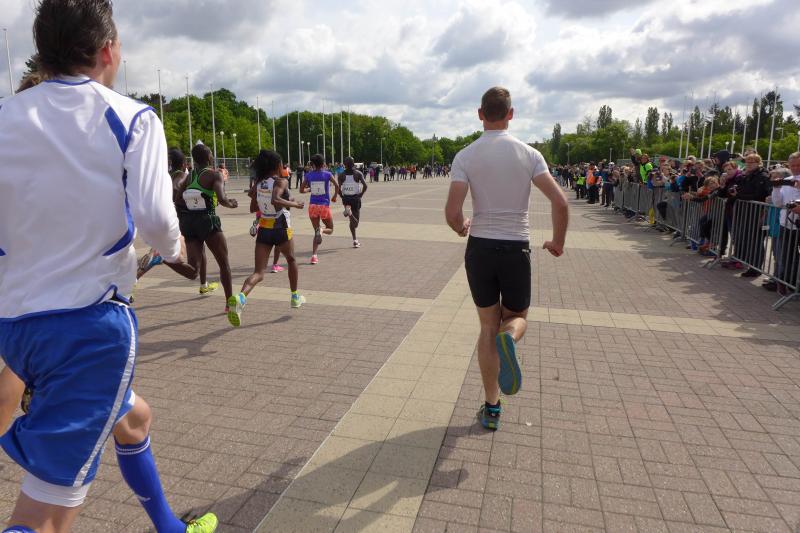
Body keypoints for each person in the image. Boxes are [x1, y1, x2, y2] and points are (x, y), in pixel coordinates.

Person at [0, 1, 217, 531]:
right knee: (46, 514)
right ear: (106, 50)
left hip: (16, 326)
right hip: (88, 328)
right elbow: (156, 218)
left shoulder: (6, 115)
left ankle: (169, 526)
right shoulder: (132, 117)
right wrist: (174, 250)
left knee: (134, 418)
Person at [445, 87, 569, 431]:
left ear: (480, 114)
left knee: (487, 326)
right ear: (511, 114)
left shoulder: (465, 156)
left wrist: (461, 226)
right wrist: (557, 242)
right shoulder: (529, 154)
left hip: (480, 248)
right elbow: (560, 202)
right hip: (515, 248)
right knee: (515, 318)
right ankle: (510, 337)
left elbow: (453, 212)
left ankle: (492, 408)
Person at [228, 150, 306, 326]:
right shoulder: (280, 181)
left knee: (258, 273)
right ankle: (295, 297)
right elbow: (276, 199)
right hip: (280, 228)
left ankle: (240, 297)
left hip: (264, 229)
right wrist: (294, 204)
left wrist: (260, 198)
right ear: (277, 165)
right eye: (282, 163)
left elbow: (252, 207)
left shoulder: (259, 183)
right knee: (292, 260)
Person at [177, 143, 239, 308]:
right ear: (209, 157)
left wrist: (186, 214)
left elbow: (178, 199)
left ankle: (166, 260)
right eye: (211, 154)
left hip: (190, 224)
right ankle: (229, 304)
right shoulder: (214, 175)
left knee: (194, 270)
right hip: (208, 221)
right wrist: (231, 204)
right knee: (224, 264)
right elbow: (222, 199)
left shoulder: (188, 177)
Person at [300, 154, 340, 264]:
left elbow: (301, 190)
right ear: (323, 164)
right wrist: (334, 196)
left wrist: (309, 189)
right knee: (330, 229)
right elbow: (337, 185)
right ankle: (322, 230)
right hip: (324, 206)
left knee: (316, 231)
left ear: (312, 164)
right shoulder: (327, 174)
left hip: (312, 206)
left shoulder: (308, 175)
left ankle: (314, 256)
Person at [339, 156, 368, 248]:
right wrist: (361, 195)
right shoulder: (358, 174)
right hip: (355, 198)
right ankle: (350, 214)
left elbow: (338, 188)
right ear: (353, 164)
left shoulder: (341, 175)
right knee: (355, 223)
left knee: (351, 222)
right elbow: (365, 186)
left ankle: (355, 240)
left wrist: (341, 196)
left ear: (345, 164)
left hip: (346, 198)